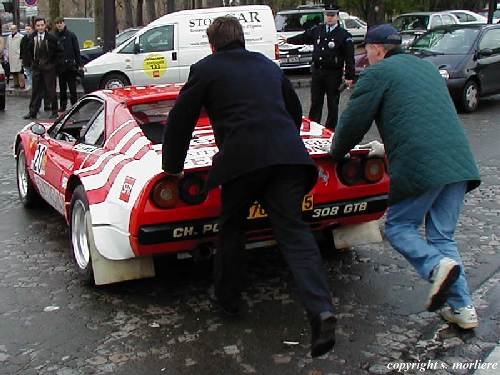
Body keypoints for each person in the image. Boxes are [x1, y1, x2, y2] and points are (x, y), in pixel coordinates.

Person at [162, 16, 336, 357]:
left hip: (241, 162)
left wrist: (173, 167)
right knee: (295, 234)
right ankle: (321, 309)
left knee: (232, 229)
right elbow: (295, 109)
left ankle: (228, 301)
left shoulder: (206, 69)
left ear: (212, 45)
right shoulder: (268, 65)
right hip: (288, 159)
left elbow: (181, 119)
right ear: (242, 39)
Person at [329, 24, 481, 330]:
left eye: (366, 50)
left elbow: (352, 122)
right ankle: (463, 308)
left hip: (421, 164)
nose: (364, 56)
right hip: (457, 161)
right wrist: (385, 147)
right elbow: (421, 120)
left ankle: (436, 267)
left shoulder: (377, 73)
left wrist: (335, 153)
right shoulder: (425, 69)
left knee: (399, 226)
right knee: (441, 237)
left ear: (378, 49)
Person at [284, 4, 354, 130]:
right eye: (327, 15)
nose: (330, 18)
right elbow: (304, 37)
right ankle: (313, 127)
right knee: (316, 102)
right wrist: (288, 40)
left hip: (333, 73)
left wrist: (349, 75)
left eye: (332, 15)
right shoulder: (318, 30)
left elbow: (349, 57)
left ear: (337, 17)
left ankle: (330, 129)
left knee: (332, 103)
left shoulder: (344, 35)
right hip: (318, 71)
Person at [23, 17, 62, 120]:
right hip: (37, 67)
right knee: (35, 91)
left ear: (45, 26)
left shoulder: (51, 38)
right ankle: (33, 112)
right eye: (38, 26)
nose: (40, 27)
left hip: (49, 68)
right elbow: (29, 51)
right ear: (35, 27)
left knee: (51, 91)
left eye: (42, 25)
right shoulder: (32, 37)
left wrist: (53, 64)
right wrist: (32, 63)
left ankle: (54, 112)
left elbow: (59, 52)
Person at [54, 17, 81, 112]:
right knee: (62, 88)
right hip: (60, 66)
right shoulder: (54, 36)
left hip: (70, 66)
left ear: (64, 23)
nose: (59, 25)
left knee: (72, 88)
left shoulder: (71, 35)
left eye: (60, 23)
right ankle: (63, 105)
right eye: (57, 23)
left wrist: (79, 64)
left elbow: (76, 50)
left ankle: (74, 105)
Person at [6, 24, 25, 89]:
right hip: (11, 56)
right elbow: (7, 46)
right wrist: (7, 55)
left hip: (18, 56)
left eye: (14, 29)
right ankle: (16, 84)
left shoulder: (21, 36)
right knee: (13, 71)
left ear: (16, 29)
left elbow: (23, 47)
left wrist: (19, 53)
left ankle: (22, 85)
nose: (12, 30)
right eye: (11, 29)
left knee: (20, 71)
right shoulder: (9, 37)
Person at [20, 25, 34, 90]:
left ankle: (34, 85)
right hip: (25, 58)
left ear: (32, 30)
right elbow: (21, 49)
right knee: (28, 73)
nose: (27, 31)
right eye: (26, 29)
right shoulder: (24, 38)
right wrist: (21, 58)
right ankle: (31, 85)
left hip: (32, 59)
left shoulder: (34, 37)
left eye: (29, 29)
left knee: (33, 73)